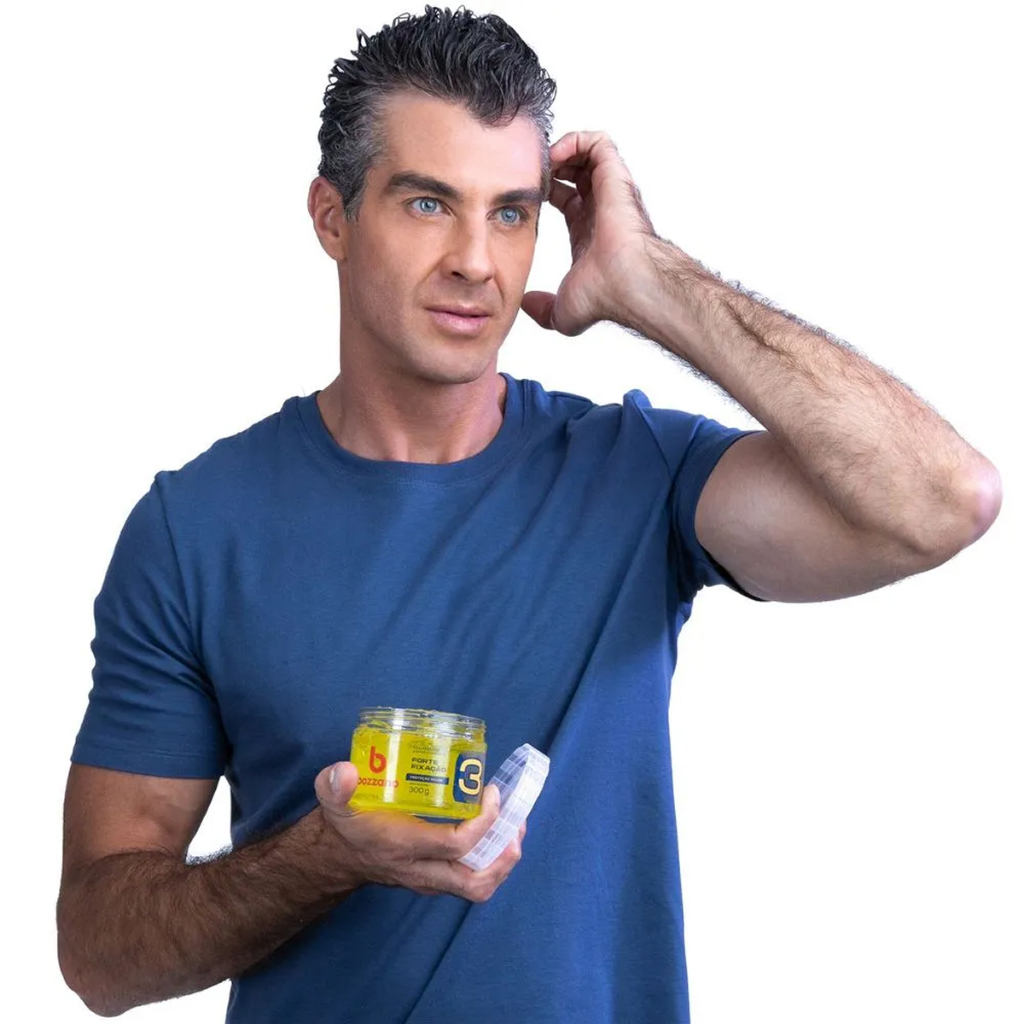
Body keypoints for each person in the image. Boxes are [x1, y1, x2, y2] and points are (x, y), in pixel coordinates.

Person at [56, 5, 1002, 1023]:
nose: (477, 259)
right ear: (332, 217)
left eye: (511, 213)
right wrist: (323, 856)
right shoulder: (196, 528)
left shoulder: (639, 475)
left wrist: (652, 280)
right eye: (429, 203)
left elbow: (942, 499)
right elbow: (101, 958)